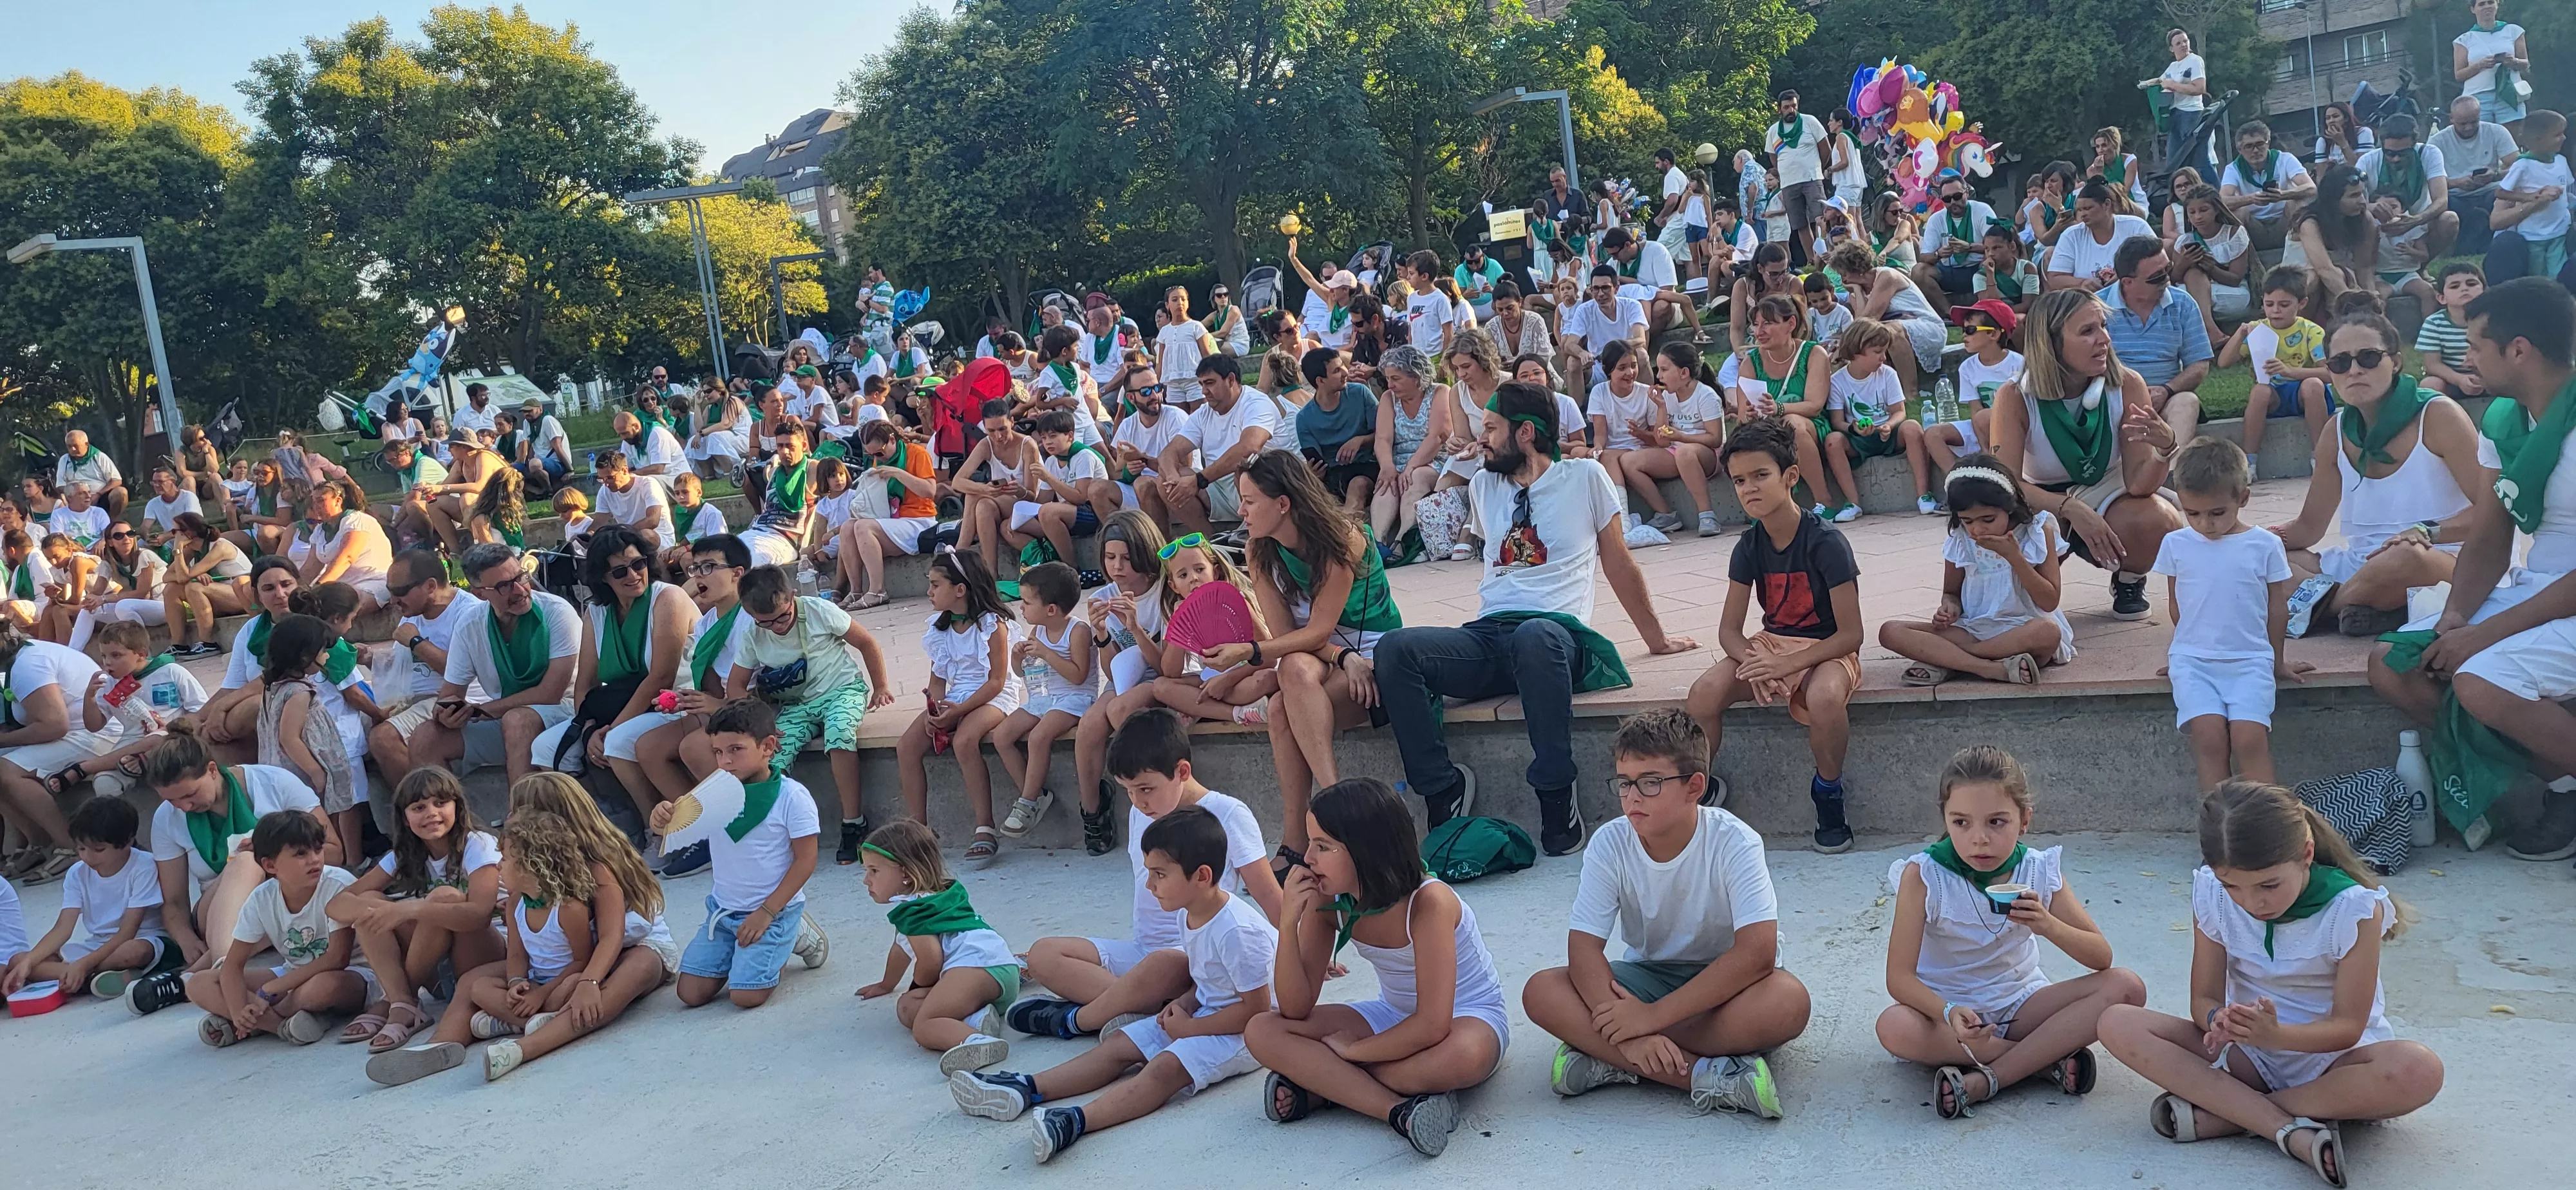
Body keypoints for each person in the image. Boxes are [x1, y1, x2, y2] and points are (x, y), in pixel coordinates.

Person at [1376, 382, 1698, 856]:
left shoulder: (1585, 477)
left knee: (1535, 634)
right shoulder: (1485, 484)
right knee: (1396, 649)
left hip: (1554, 637)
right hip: (1489, 638)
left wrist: (1657, 640)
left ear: (1525, 433)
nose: (1481, 438)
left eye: (1491, 429)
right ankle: (1442, 788)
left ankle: (1555, 793)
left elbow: (1618, 563)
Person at [2099, 781, 2442, 1185]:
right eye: (2233, 886)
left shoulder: (2352, 909)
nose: (2252, 902)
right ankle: (2290, 1130)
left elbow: (2348, 1027)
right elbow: (2203, 998)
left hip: (2334, 1065)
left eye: (2268, 885)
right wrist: (2218, 1020)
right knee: (2117, 1022)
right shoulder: (2212, 894)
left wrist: (2277, 1035)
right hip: (2250, 1056)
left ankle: (2234, 1115)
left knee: (2419, 1069)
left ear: (2306, 855)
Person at [2365, 279, 2576, 855]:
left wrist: (2484, 635)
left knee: (2479, 680)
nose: (2466, 359)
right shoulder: (2506, 421)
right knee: (2395, 663)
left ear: (2519, 350)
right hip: (2544, 593)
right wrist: (2457, 616)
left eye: (2476, 346)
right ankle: (2565, 781)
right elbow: (2488, 536)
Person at [1520, 709, 1808, 1117]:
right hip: (1649, 977)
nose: (1632, 797)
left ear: (1694, 787)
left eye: (1650, 783)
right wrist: (1632, 1035)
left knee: (1788, 1002)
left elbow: (1756, 954)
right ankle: (1709, 1077)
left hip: (1729, 988)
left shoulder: (1735, 842)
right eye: (1624, 783)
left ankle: (1606, 1056)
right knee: (1542, 991)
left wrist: (1647, 1020)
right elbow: (1583, 948)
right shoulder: (1610, 843)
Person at [963, 804, 1274, 1162]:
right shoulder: (1190, 913)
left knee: (1165, 1069)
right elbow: (1209, 977)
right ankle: (1027, 1087)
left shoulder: (1237, 931)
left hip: (1244, 1034)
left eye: (1160, 873)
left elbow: (1257, 1010)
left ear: (1202, 876)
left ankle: (1076, 1121)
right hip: (1205, 1013)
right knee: (1119, 1045)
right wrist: (1188, 1002)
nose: (1150, 883)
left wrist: (1191, 1028)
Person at [1247, 777, 1508, 1158]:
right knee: (1262, 1029)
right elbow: (1295, 1008)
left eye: (1323, 847)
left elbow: (1434, 1024)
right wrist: (1288, 924)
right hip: (1392, 1014)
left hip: (1466, 1017)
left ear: (1366, 851)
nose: (1308, 858)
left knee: (1465, 1055)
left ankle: (1325, 1087)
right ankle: (1399, 1110)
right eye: (1310, 844)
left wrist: (1355, 1053)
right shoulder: (1329, 901)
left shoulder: (1428, 902)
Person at [1880, 746, 2142, 1117]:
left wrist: (2047, 925)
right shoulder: (1925, 876)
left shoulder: (2038, 870)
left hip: (2022, 1005)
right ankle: (2039, 1062)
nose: (1979, 839)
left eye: (1996, 822)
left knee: (2127, 987)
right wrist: (1950, 1010)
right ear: (1946, 818)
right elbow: (1898, 978)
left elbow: (2101, 957)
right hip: (1948, 1017)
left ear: (2025, 820)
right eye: (1962, 822)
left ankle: (1991, 1077)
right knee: (1893, 1026)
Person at [1685, 417, 1863, 851]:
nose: (1750, 489)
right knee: (1703, 694)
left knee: (1823, 699)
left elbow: (1851, 634)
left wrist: (1788, 665)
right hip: (1772, 645)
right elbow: (1729, 630)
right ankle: (1699, 791)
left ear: (1790, 477)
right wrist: (1755, 663)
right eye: (1740, 480)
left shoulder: (1827, 543)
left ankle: (1828, 792)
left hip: (1826, 650)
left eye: (1761, 476)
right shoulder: (1748, 547)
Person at [2272, 312, 2483, 641]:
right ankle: (2368, 606)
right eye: (2340, 363)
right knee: (2269, 559)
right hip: (2363, 563)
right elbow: (2308, 528)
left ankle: (2321, 611)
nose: (2354, 370)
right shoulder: (2337, 429)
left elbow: (2493, 512)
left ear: (2396, 362)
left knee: (2404, 559)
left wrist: (2427, 531)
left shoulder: (2438, 415)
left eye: (2368, 358)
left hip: (2445, 556)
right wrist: (2252, 539)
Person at [646, 698, 828, 1010]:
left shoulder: (792, 797)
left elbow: (806, 860)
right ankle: (752, 955)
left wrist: (767, 913)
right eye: (718, 752)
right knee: (690, 993)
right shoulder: (713, 794)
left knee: (746, 997)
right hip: (723, 911)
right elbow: (677, 830)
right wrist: (661, 819)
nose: (725, 762)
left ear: (768, 747)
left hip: (773, 911)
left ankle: (794, 932)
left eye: (736, 750)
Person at [2152, 437, 2306, 789]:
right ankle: (2219, 827)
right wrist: (2182, 651)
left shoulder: (2264, 545)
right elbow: (2178, 604)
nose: (2205, 523)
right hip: (2194, 663)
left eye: (2217, 512)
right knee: (2208, 739)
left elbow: (2276, 607)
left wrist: (2277, 661)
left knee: (2249, 738)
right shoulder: (2176, 544)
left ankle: (2272, 826)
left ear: (2243, 499)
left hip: (2250, 660)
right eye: (2193, 514)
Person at [323, 768, 502, 1055]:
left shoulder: (478, 844)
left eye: (441, 803)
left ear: (458, 805)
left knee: (444, 898)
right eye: (419, 808)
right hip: (436, 972)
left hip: (482, 962)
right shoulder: (402, 856)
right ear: (405, 818)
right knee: (369, 899)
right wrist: (386, 909)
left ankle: (396, 1003)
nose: (431, 813)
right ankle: (403, 1001)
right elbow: (335, 905)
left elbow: (480, 914)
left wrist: (412, 909)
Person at [180, 810, 368, 1047]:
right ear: (270, 865)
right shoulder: (262, 899)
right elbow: (233, 966)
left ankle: (264, 1021)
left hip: (352, 975)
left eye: (318, 850)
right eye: (301, 854)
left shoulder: (337, 885)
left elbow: (337, 959)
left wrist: (269, 991)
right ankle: (278, 1026)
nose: (315, 859)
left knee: (321, 987)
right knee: (199, 984)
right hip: (292, 977)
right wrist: (239, 1010)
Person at [1880, 455, 2073, 685]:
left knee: (2048, 633)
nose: (1977, 529)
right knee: (1890, 631)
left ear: (2009, 507)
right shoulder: (1961, 539)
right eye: (1967, 521)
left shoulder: (2038, 532)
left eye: (1988, 519)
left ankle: (1949, 660)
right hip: (1975, 628)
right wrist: (1949, 608)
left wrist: (2016, 559)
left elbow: (2049, 602)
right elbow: (1951, 592)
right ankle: (1990, 668)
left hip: (2022, 630)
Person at [851, 818, 1018, 1076]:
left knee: (924, 1027)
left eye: (874, 871)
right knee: (907, 1008)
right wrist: (887, 984)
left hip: (974, 968)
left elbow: (930, 960)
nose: (866, 880)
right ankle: (977, 1019)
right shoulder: (934, 897)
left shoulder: (913, 911)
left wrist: (921, 986)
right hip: (1001, 969)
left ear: (905, 873)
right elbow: (901, 949)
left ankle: (977, 1042)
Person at [408, 543, 579, 788]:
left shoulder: (558, 612)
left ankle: (523, 818)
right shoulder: (471, 625)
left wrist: (482, 710)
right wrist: (447, 713)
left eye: (521, 577)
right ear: (480, 594)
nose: (520, 590)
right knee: (426, 737)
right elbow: (450, 695)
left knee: (517, 720)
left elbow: (550, 694)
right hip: (507, 719)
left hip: (565, 711)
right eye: (504, 587)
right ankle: (461, 823)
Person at [897, 552, 1023, 867]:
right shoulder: (939, 629)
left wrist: (959, 712)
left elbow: (996, 681)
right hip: (959, 696)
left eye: (935, 585)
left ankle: (985, 827)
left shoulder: (994, 626)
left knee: (965, 740)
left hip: (994, 696)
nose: (929, 592)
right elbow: (937, 680)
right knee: (906, 746)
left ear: (960, 589)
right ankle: (919, 830)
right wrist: (935, 709)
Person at [1, 796, 173, 1001]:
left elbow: (128, 932)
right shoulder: (77, 873)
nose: (88, 857)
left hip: (142, 939)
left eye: (99, 850)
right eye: (81, 849)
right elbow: (63, 929)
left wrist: (83, 965)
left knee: (133, 952)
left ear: (128, 841)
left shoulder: (143, 867)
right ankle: (93, 977)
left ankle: (78, 975)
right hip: (97, 945)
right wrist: (28, 963)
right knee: (18, 961)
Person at [987, 562, 1095, 843]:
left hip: (1074, 699)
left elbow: (1078, 677)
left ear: (1051, 609)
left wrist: (1047, 654)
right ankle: (1034, 793)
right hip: (1043, 698)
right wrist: (1017, 657)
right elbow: (1024, 673)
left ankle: (1026, 803)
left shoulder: (1078, 631)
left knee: (1039, 737)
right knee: (1002, 736)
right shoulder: (1038, 632)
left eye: (1027, 602)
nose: (1021, 608)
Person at [0, 624, 114, 881]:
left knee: (4, 770)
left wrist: (3, 741)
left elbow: (54, 726)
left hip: (96, 733)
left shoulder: (28, 665)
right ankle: (37, 843)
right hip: (78, 732)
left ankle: (70, 847)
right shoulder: (19, 658)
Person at [2098, 236, 2213, 471]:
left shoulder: (2183, 303)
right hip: (2114, 397)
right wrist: (2131, 395)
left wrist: (2167, 389)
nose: (2167, 280)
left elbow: (2200, 364)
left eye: (2168, 269)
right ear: (2128, 282)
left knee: (2187, 402)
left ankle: (2167, 475)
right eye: (2157, 277)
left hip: (2166, 396)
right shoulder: (2098, 308)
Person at [1732, 294, 1849, 520]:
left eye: (1768, 324)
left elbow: (1815, 406)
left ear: (1791, 324)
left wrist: (1778, 408)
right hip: (1768, 429)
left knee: (1792, 424)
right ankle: (1765, 511)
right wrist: (1750, 415)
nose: (1759, 332)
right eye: (1755, 325)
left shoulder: (1814, 353)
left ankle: (1824, 500)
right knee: (1749, 437)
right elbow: (1742, 415)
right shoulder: (1751, 362)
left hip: (1810, 425)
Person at [254, 613, 361, 858]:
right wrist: (317, 773)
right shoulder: (298, 692)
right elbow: (289, 738)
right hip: (302, 775)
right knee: (317, 834)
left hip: (281, 772)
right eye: (323, 651)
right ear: (304, 657)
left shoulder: (273, 687)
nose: (326, 656)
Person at [2218, 267, 2331, 474]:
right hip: (2273, 395)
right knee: (2260, 391)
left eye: (2284, 305)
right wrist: (2241, 334)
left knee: (2313, 385)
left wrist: (2291, 372)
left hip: (2304, 393)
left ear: (2302, 303)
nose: (2275, 311)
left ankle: (2321, 456)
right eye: (2269, 304)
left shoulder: (2312, 331)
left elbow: (2329, 374)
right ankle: (2249, 462)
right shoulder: (2258, 330)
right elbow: (2224, 363)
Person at [1152, 354, 1277, 536]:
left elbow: (1249, 448)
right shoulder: (1204, 413)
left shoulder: (1257, 403)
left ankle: (1257, 542)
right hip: (1217, 489)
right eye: (1201, 384)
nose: (1204, 391)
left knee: (1244, 469)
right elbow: (1168, 453)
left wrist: (1199, 480)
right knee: (1165, 483)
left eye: (1210, 383)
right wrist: (1173, 478)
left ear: (1231, 380)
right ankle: (1213, 544)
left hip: (1263, 484)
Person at [1826, 317, 1937, 516]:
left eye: (1884, 351)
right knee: (1833, 441)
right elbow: (1837, 422)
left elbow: (1900, 412)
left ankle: (1924, 495)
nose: (1884, 358)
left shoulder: (1888, 374)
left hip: (1888, 434)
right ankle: (1853, 503)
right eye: (1877, 352)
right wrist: (1854, 428)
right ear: (1856, 352)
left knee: (1912, 428)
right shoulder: (1837, 381)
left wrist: (1888, 425)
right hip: (1858, 439)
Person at [835, 420, 940, 611]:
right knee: (849, 526)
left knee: (863, 527)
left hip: (920, 522)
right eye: (872, 455)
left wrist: (898, 473)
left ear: (892, 440)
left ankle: (877, 591)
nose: (877, 458)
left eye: (879, 453)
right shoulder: (882, 458)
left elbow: (930, 491)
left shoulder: (917, 453)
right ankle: (856, 591)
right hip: (894, 522)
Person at [1625, 341, 1727, 538]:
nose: (1659, 376)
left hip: (1708, 455)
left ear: (1684, 373)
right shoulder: (1669, 397)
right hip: (1677, 451)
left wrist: (1682, 437)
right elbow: (1662, 442)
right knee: (1629, 462)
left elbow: (1716, 439)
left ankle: (1707, 514)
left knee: (1685, 452)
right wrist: (1661, 408)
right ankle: (1667, 515)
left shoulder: (1706, 396)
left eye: (1664, 369)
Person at [2357, 115, 2458, 301]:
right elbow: (2354, 203)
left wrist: (2415, 221)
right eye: (2389, 153)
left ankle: (2419, 268)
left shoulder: (2430, 153)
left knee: (2450, 220)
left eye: (2402, 154)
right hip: (2379, 228)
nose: (2395, 159)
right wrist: (2372, 207)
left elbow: (2442, 200)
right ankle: (2371, 274)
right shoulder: (2367, 161)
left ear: (2415, 145)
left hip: (2419, 223)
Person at [2485, 109, 2571, 288]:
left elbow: (2569, 192)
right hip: (2534, 233)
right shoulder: (2523, 165)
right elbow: (2501, 193)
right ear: (2538, 139)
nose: (2563, 138)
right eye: (2557, 135)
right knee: (2537, 275)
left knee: (2557, 274)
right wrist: (2533, 198)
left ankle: (2560, 301)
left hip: (2560, 230)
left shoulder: (2561, 161)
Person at [2286, 164, 2385, 310]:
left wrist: (2370, 297)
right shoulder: (2309, 222)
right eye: (2354, 196)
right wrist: (2354, 303)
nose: (2363, 202)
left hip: (2343, 279)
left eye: (2363, 194)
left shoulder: (2365, 220)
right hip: (2302, 284)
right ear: (2333, 200)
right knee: (2318, 279)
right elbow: (2324, 270)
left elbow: (2364, 267)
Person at [2430, 94, 2521, 252]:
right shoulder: (2437, 141)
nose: (2469, 127)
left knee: (2506, 194)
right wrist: (2458, 183)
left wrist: (2495, 175)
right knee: (2443, 202)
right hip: (2455, 195)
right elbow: (2430, 180)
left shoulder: (2496, 131)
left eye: (2474, 122)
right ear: (2451, 119)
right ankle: (2476, 239)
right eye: (2463, 123)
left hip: (2491, 191)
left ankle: (2472, 241)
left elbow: (2519, 167)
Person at [294, 478, 393, 611]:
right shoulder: (319, 530)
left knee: (342, 606)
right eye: (314, 502)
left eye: (321, 501)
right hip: (342, 587)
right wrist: (297, 590)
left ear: (338, 501)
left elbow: (346, 558)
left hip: (373, 581)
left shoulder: (357, 520)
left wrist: (318, 587)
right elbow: (311, 567)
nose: (316, 506)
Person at [68, 520, 167, 652]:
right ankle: (73, 654)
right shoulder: (109, 563)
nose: (126, 539)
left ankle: (143, 653)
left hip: (163, 606)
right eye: (119, 536)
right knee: (89, 610)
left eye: (130, 534)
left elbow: (142, 593)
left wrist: (103, 599)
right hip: (137, 609)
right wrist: (90, 600)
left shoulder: (144, 556)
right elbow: (97, 592)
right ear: (110, 542)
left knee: (124, 606)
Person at [2172, 185, 2253, 342]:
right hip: (2197, 290)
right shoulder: (2184, 241)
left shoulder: (2234, 233)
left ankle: (2205, 333)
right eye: (2192, 213)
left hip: (2232, 293)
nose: (2198, 217)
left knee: (2192, 288)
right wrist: (2183, 264)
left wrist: (2211, 269)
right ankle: (2212, 331)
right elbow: (2173, 280)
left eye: (2204, 210)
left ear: (2216, 210)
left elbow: (2235, 279)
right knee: (2192, 275)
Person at [2221, 122, 2318, 252]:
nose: (2255, 150)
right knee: (2238, 211)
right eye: (2249, 146)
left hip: (2285, 223)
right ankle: (2245, 264)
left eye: (2260, 144)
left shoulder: (2285, 159)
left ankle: (2307, 254)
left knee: (2297, 204)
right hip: (2254, 228)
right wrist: (2252, 199)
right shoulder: (2233, 168)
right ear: (2240, 149)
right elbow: (2223, 201)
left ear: (2268, 143)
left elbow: (2311, 188)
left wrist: (2283, 195)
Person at [1913, 175, 2003, 315]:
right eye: (1947, 199)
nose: (1953, 202)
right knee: (1919, 271)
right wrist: (1939, 254)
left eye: (1957, 196)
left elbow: (1998, 245)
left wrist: (1969, 247)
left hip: (1978, 267)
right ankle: (1949, 313)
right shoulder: (1936, 219)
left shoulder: (1982, 210)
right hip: (1948, 272)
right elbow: (1924, 257)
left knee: (1991, 260)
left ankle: (1985, 310)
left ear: (1967, 193)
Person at [2045, 182, 2159, 292]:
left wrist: (2125, 276)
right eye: (2080, 210)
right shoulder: (2071, 235)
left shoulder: (2136, 226)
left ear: (2107, 205)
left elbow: (2159, 260)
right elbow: (2055, 278)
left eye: (2088, 208)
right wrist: (2081, 283)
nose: (2083, 214)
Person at [1764, 89, 1831, 265]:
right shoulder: (1773, 131)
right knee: (1800, 225)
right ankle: (1813, 261)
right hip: (1789, 184)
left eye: (1794, 106)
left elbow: (1826, 149)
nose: (1791, 110)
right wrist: (1786, 173)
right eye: (1786, 107)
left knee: (1820, 220)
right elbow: (1774, 158)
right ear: (1780, 109)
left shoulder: (1810, 122)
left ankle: (1827, 257)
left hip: (1812, 180)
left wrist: (1817, 169)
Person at [1561, 265, 1651, 388]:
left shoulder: (1632, 306)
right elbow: (1569, 344)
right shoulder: (1584, 310)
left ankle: (1651, 400)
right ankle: (1577, 407)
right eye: (1596, 289)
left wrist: (1613, 349)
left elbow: (1641, 340)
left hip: (1626, 362)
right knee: (1572, 362)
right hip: (1598, 365)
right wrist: (1582, 353)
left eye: (1606, 288)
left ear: (1617, 288)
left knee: (1641, 354)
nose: (1600, 294)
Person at [2453, 0, 2528, 133]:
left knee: (2513, 140)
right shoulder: (2464, 40)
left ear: (2497, 4)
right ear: (2473, 9)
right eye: (2481, 4)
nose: (2487, 7)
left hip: (2509, 94)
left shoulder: (2514, 31)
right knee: (2481, 140)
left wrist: (2513, 61)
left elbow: (2525, 64)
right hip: (2479, 98)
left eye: (2490, 2)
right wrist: (2480, 65)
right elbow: (2459, 75)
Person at [2414, 262, 2488, 399]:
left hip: (2491, 379)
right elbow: (2433, 364)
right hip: (2451, 381)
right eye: (2455, 286)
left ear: (2485, 291)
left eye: (2471, 284)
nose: (2464, 289)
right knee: (2430, 385)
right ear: (2442, 298)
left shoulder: (2494, 320)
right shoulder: (2434, 323)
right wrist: (2459, 380)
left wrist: (2487, 379)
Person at [2155, 28, 2211, 180]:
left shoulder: (2195, 60)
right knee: (2174, 162)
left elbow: (2200, 88)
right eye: (2178, 43)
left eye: (2185, 41)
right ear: (2171, 49)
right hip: (2175, 116)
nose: (2183, 45)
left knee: (2198, 159)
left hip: (2191, 114)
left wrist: (2172, 85)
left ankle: (2216, 193)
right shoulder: (2173, 67)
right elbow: (2160, 83)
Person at [53, 430, 126, 519]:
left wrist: (98, 494)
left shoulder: (99, 457)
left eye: (76, 446)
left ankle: (111, 523)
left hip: (100, 497)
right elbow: (60, 485)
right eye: (69, 446)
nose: (73, 449)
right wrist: (77, 494)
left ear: (86, 444)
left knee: (121, 493)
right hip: (75, 499)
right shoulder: (64, 460)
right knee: (60, 498)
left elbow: (117, 480)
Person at [46, 481, 110, 550]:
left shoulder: (99, 512)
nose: (89, 496)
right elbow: (58, 540)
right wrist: (74, 547)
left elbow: (109, 534)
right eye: (82, 493)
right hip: (73, 553)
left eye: (89, 492)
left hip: (99, 552)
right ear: (70, 498)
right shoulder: (58, 514)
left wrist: (104, 542)